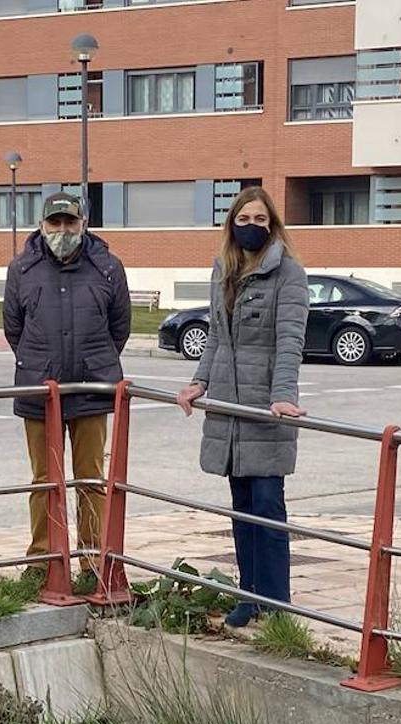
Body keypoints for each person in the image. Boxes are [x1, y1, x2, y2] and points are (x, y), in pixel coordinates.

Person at [175, 186, 309, 628]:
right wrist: (199, 382)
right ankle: (248, 596)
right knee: (241, 506)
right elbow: (216, 337)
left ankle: (278, 605)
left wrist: (283, 396)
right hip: (228, 413)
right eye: (244, 219)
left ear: (272, 226)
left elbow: (290, 340)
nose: (252, 227)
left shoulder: (288, 273)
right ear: (232, 223)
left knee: (268, 505)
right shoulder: (224, 270)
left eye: (261, 220)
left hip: (267, 411)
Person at [2, 193, 131, 583]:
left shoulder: (108, 267)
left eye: (69, 223)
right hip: (40, 390)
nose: (62, 231)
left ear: (83, 223)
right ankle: (43, 560)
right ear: (42, 226)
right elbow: (14, 328)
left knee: (91, 478)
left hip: (92, 388)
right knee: (44, 480)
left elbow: (118, 328)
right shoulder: (22, 268)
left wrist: (94, 361)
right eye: (55, 224)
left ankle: (93, 559)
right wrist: (41, 363)